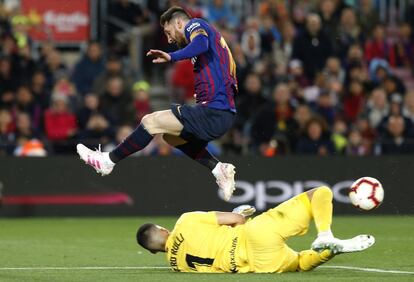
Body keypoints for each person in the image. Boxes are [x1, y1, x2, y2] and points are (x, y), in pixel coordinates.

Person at [77, 6, 238, 201]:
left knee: (150, 121)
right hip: (220, 113)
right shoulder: (211, 42)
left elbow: (201, 43)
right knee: (172, 138)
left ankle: (107, 161)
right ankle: (218, 168)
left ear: (178, 23)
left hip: (214, 110)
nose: (169, 39)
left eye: (169, 32)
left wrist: (172, 56)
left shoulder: (195, 25)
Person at [136, 186, 374, 273]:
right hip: (254, 234)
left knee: (300, 263)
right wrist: (240, 212)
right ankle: (325, 235)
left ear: (154, 251)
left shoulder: (177, 266)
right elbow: (237, 220)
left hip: (252, 265)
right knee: (319, 194)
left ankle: (331, 250)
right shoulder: (185, 221)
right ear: (163, 229)